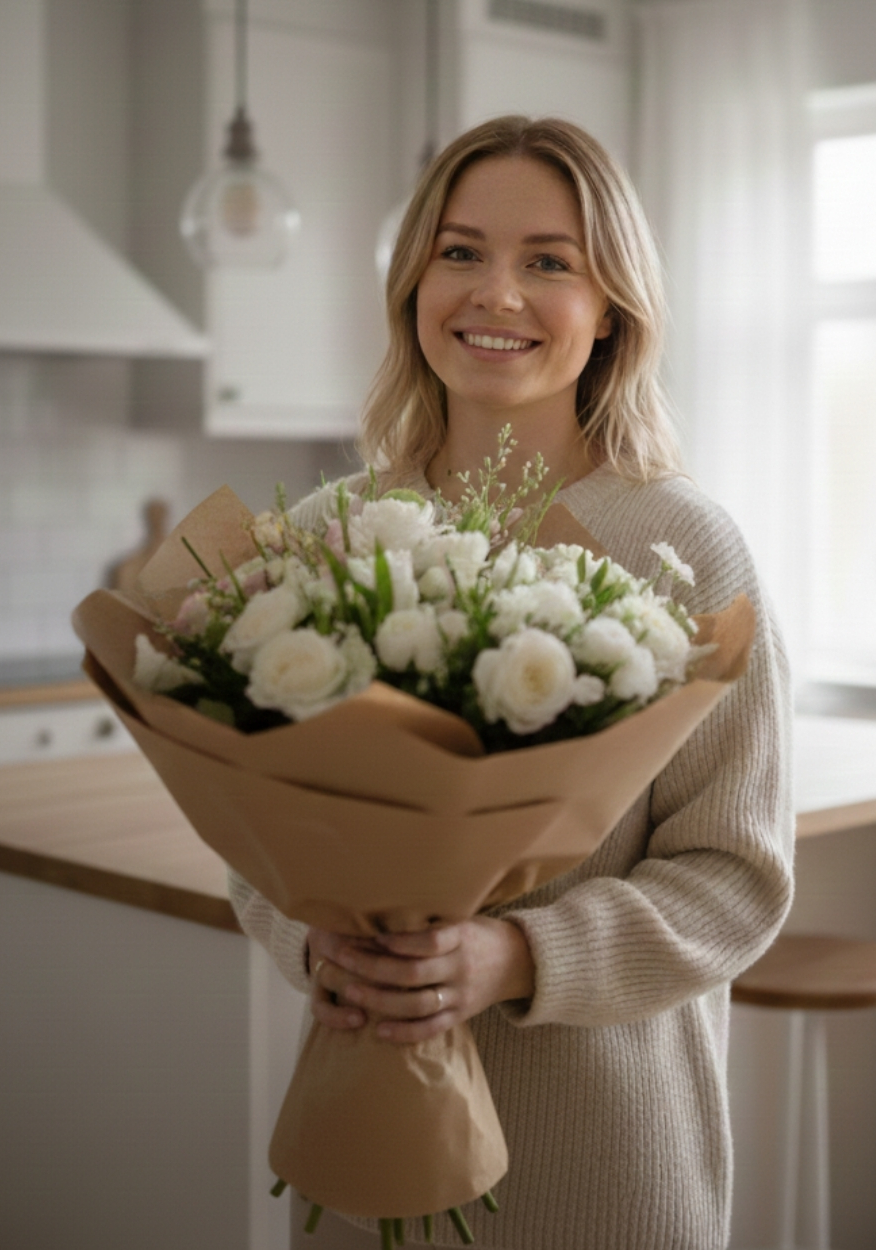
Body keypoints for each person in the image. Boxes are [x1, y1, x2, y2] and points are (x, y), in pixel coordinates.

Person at [229, 115, 794, 1250]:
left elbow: (735, 876)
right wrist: (315, 943)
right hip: (366, 1146)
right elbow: (255, 835)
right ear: (413, 282)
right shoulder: (324, 537)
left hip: (604, 1160)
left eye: (548, 261)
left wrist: (519, 955)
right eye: (461, 251)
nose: (496, 293)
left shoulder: (687, 550)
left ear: (612, 307)